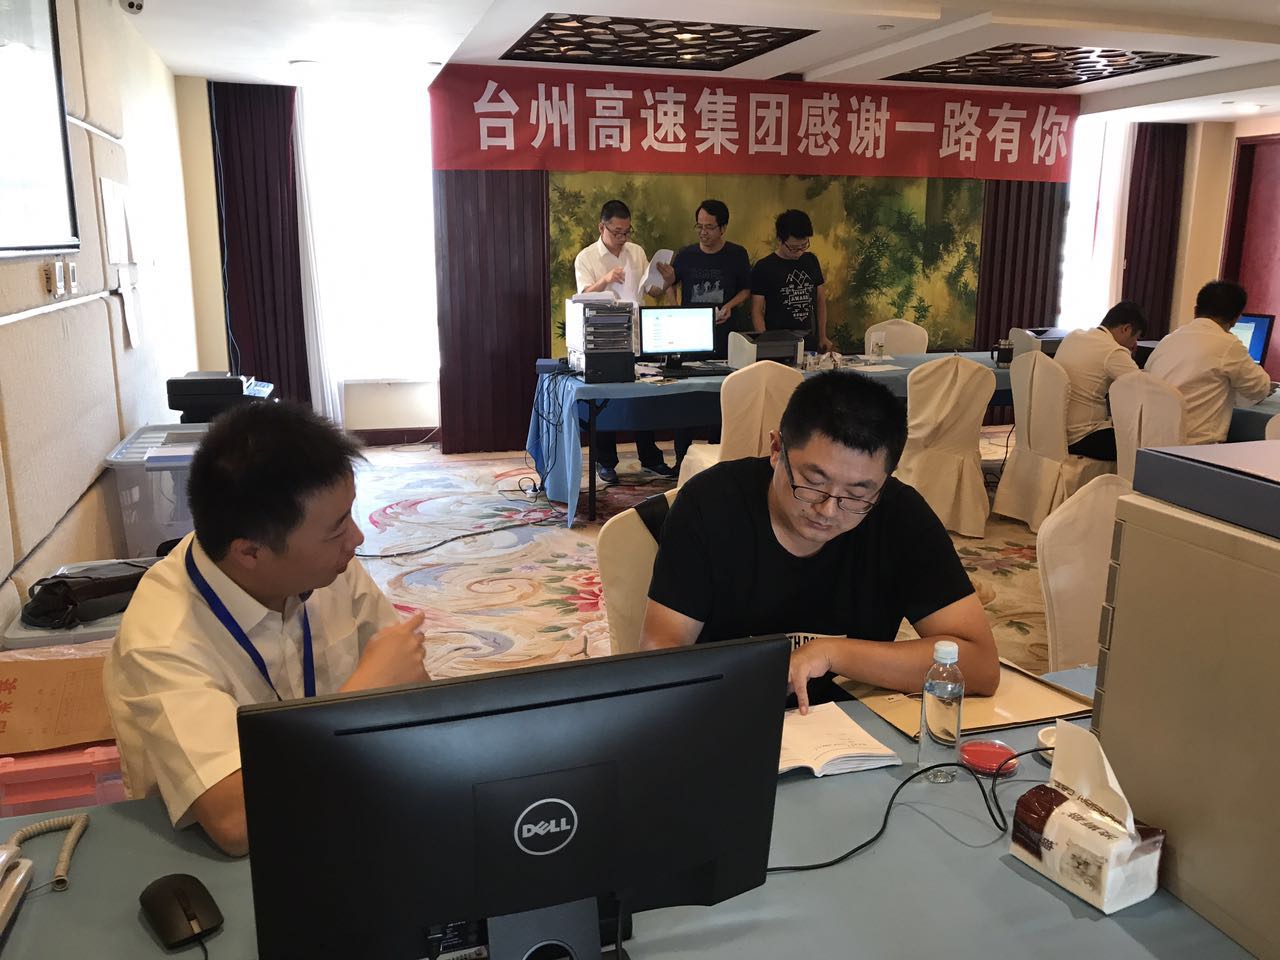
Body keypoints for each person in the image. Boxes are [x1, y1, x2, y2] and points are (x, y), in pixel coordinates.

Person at [104, 402, 432, 857]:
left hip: (338, 801)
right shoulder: (162, 639)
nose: (357, 539)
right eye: (337, 529)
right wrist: (357, 699)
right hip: (232, 860)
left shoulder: (327, 566)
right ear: (250, 553)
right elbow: (236, 824)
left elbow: (413, 693)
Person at [639, 371, 1000, 710]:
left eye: (857, 494)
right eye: (813, 483)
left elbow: (980, 666)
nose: (828, 510)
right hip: (728, 712)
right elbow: (660, 654)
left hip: (854, 725)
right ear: (777, 449)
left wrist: (832, 653)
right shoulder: (711, 504)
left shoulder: (900, 514)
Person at [574, 199, 676, 483]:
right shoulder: (586, 257)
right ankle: (605, 461)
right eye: (617, 232)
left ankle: (651, 458)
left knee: (643, 397)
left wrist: (667, 281)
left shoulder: (636, 251)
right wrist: (606, 278)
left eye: (627, 231)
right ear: (602, 228)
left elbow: (651, 291)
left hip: (636, 335)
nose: (623, 237)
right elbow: (582, 296)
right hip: (603, 337)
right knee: (605, 399)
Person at [1146, 280, 1274, 444]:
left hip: (1151, 442)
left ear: (1195, 311)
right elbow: (1260, 389)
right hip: (1194, 448)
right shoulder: (1228, 344)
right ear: (1235, 319)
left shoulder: (1168, 340)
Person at [1053, 301, 1145, 461]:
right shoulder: (1113, 351)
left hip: (1056, 432)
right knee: (1146, 442)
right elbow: (1144, 389)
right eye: (1135, 337)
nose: (1134, 344)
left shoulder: (1074, 336)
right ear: (1126, 329)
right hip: (1084, 436)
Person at [665, 199, 753, 359]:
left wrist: (729, 306)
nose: (703, 232)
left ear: (723, 228)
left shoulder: (737, 254)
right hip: (690, 335)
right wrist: (675, 309)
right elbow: (670, 284)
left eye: (709, 227)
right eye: (699, 226)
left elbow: (746, 289)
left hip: (725, 333)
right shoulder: (686, 254)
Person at [750, 209, 833, 354]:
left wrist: (822, 336)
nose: (799, 252)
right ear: (780, 240)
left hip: (807, 339)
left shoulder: (811, 261)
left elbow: (820, 301)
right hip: (778, 340)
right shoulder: (764, 267)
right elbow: (757, 311)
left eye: (804, 246)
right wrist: (765, 343)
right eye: (793, 248)